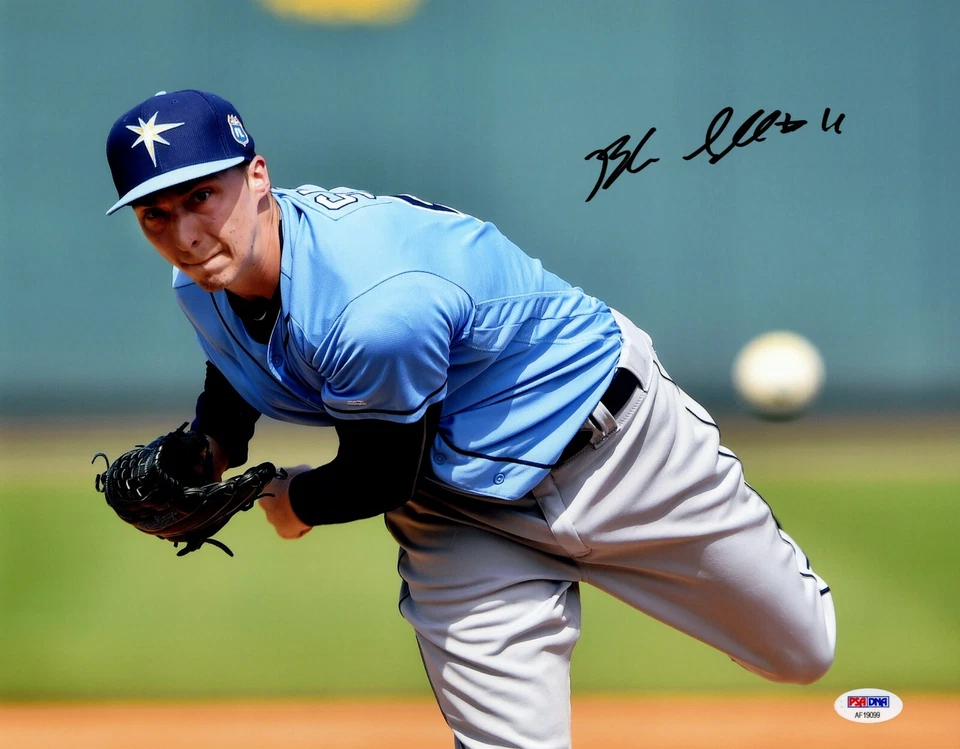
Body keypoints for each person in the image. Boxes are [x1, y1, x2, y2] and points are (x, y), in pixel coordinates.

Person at [105, 90, 836, 748]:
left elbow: (381, 473)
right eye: (155, 213)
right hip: (459, 513)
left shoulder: (372, 307)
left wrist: (293, 503)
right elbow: (236, 365)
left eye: (201, 195)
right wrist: (208, 448)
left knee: (803, 651)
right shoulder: (200, 280)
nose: (185, 232)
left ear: (256, 175)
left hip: (619, 450)